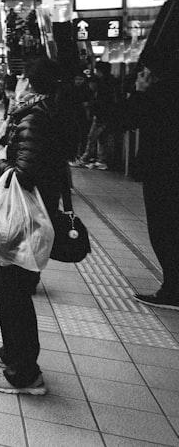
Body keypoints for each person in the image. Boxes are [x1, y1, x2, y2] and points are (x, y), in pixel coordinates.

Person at [0, 57, 72, 395]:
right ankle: (12, 355)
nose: (17, 84)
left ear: (31, 85)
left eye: (22, 79)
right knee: (11, 288)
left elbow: (24, 173)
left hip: (26, 218)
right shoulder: (47, 114)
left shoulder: (34, 118)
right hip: (34, 214)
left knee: (12, 291)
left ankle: (25, 373)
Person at [121, 49, 179, 310]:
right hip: (167, 169)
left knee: (163, 228)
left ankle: (172, 290)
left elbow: (127, 119)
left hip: (162, 171)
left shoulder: (157, 96)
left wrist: (139, 91)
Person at [72, 62, 118, 170]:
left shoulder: (103, 85)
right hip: (108, 115)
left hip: (102, 115)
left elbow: (100, 101)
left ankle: (84, 159)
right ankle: (102, 160)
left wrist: (91, 106)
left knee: (91, 137)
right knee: (102, 138)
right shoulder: (111, 83)